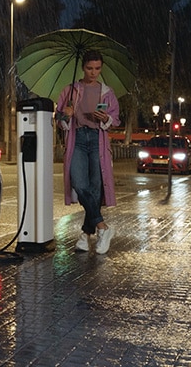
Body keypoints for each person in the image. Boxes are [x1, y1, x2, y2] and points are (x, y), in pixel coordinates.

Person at [55, 50, 120, 254]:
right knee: (79, 184)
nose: (94, 72)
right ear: (83, 67)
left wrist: (104, 118)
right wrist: (65, 115)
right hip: (78, 140)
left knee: (94, 189)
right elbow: (58, 119)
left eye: (98, 68)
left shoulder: (107, 92)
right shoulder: (71, 90)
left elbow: (115, 120)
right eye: (90, 68)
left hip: (97, 142)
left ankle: (85, 235)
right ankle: (103, 227)